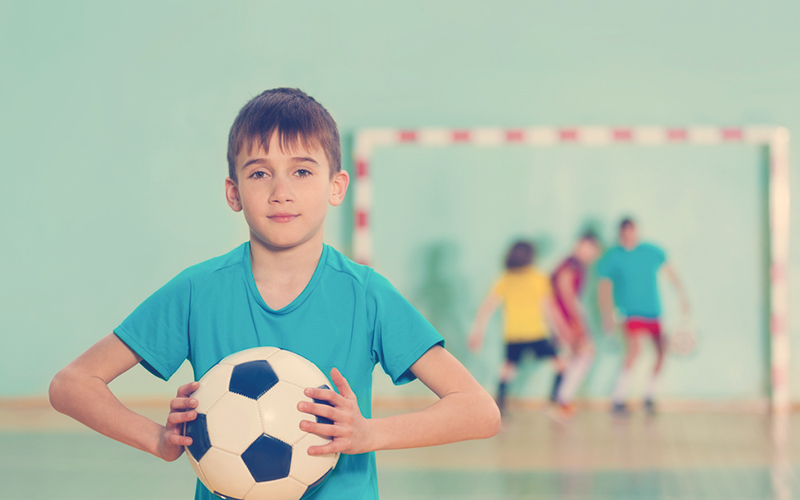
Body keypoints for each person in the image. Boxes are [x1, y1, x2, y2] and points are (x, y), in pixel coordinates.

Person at [48, 88, 501, 500]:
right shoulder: (197, 291)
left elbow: (479, 412)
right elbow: (72, 384)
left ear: (336, 186)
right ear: (234, 192)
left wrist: (368, 434)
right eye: (260, 173)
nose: (281, 192)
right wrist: (156, 439)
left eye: (302, 171)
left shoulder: (366, 296)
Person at [597, 218, 689, 415]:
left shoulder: (651, 251)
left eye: (632, 232)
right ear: (620, 234)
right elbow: (604, 287)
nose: (629, 236)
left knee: (661, 351)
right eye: (625, 233)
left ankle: (649, 396)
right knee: (635, 350)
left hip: (653, 311)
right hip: (629, 312)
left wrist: (682, 295)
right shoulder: (613, 256)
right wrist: (607, 315)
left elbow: (671, 272)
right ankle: (618, 398)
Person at [468, 241, 565, 414]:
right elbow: (550, 309)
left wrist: (477, 331)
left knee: (507, 371)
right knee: (560, 366)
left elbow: (487, 307)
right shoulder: (538, 278)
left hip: (513, 335)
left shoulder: (506, 278)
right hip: (536, 333)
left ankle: (500, 409)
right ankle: (553, 401)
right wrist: (560, 332)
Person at [549, 231, 602, 415]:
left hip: (563, 316)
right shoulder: (571, 264)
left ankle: (558, 400)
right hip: (564, 317)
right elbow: (566, 293)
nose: (592, 254)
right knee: (584, 353)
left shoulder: (576, 265)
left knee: (568, 357)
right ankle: (561, 401)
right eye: (590, 248)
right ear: (580, 244)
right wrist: (575, 322)